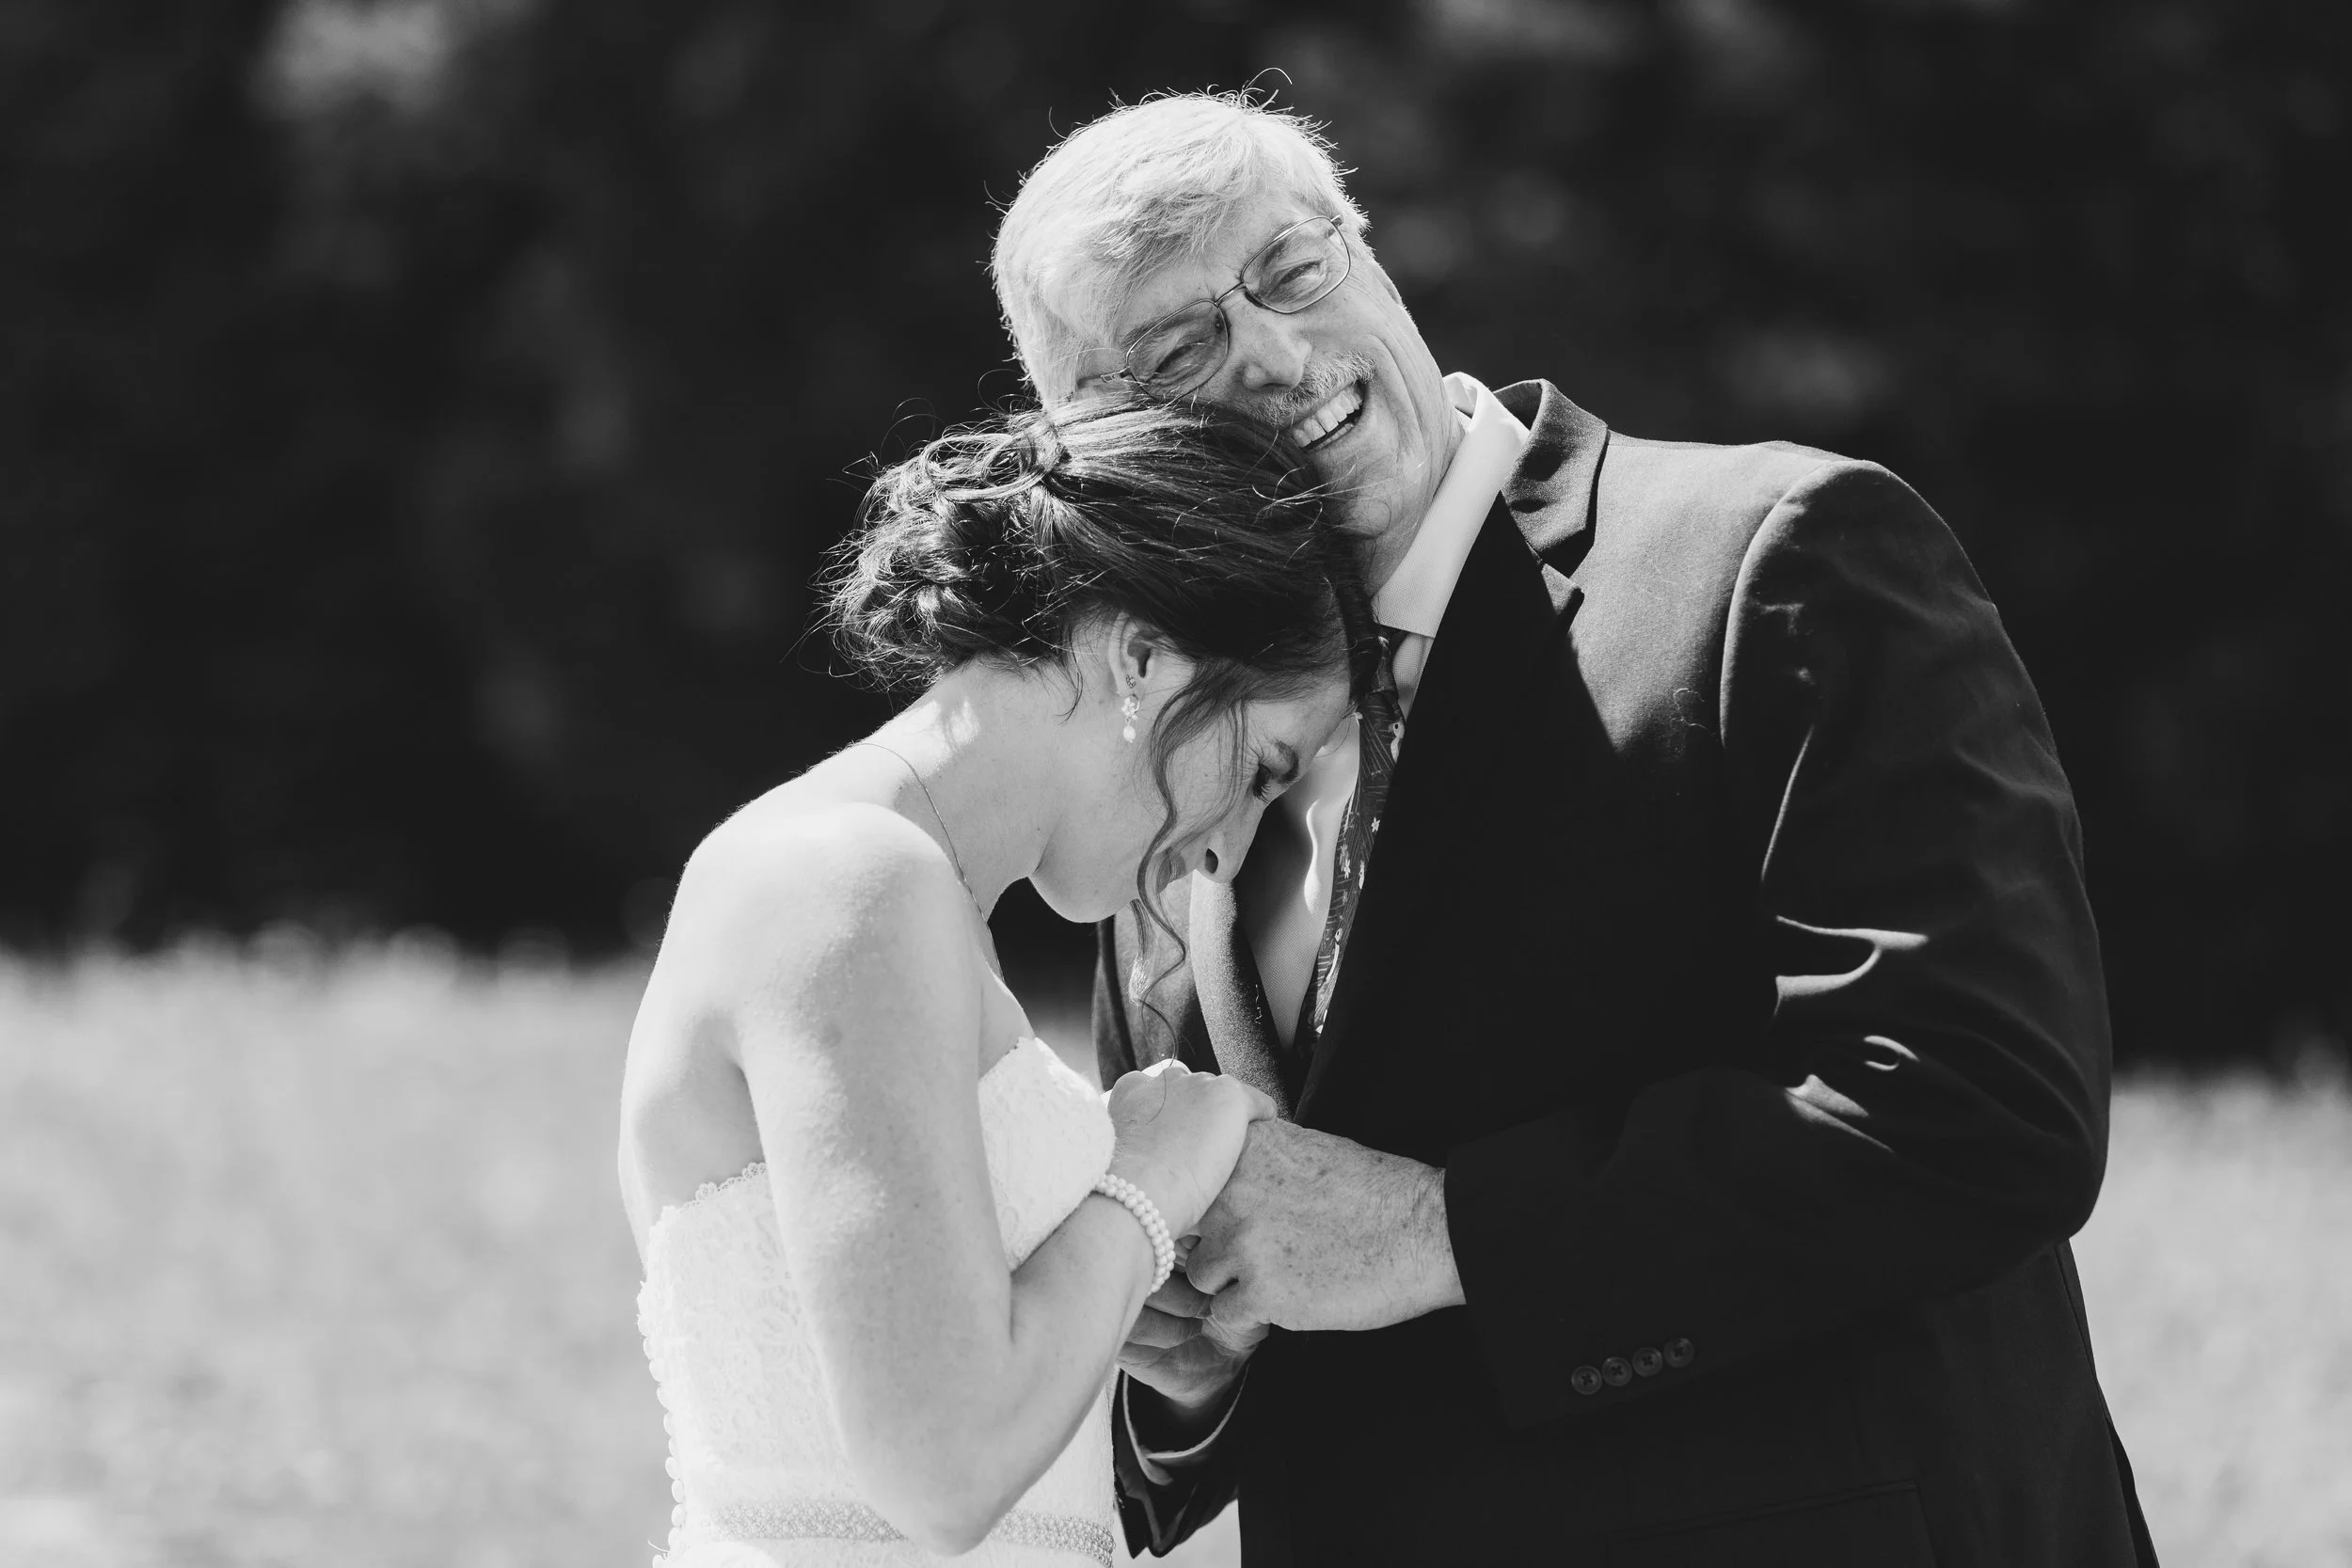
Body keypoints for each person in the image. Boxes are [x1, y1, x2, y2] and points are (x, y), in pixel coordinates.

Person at [988, 94, 2161, 1565]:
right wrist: (1188, 1367)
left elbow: (1982, 1110)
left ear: (1371, 252)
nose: (1279, 357)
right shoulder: (1156, 762)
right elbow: (1211, 1350)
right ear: (1101, 443)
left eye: (1292, 270)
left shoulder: (1779, 559)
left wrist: (1437, 1229)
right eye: (1180, 352)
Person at [618, 397, 1370, 1566]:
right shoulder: (849, 880)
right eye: (1262, 766)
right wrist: (1146, 1180)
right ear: (1140, 655)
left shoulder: (909, 905)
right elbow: (942, 1463)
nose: (1231, 845)